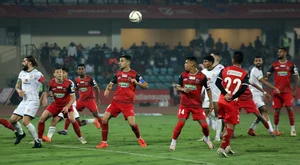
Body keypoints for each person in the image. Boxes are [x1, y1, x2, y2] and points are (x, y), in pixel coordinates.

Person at [96, 55, 148, 149]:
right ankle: (104, 142)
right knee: (104, 119)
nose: (120, 62)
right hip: (116, 102)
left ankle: (139, 138)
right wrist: (108, 88)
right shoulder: (118, 73)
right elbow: (111, 83)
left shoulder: (135, 74)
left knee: (132, 124)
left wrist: (137, 83)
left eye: (122, 61)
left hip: (127, 104)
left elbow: (146, 85)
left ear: (128, 62)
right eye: (120, 61)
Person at [169, 56, 214, 151]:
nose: (184, 65)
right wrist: (183, 89)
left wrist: (211, 103)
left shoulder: (202, 76)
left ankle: (206, 138)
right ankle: (173, 142)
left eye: (186, 63)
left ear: (192, 64)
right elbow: (177, 86)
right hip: (184, 104)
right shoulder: (183, 75)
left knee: (204, 126)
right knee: (180, 124)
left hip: (197, 105)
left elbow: (208, 89)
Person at [42, 67, 98, 142]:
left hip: (70, 104)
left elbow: (72, 96)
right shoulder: (56, 82)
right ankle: (49, 137)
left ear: (66, 74)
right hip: (62, 105)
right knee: (55, 120)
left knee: (78, 122)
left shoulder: (70, 83)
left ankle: (82, 134)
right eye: (60, 73)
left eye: (63, 73)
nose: (61, 74)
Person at [37, 66, 87, 146]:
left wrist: (67, 106)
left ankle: (81, 138)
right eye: (58, 72)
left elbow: (73, 98)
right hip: (56, 105)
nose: (60, 74)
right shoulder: (51, 83)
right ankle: (39, 140)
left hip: (66, 105)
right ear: (54, 74)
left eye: (61, 72)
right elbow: (46, 93)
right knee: (42, 119)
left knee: (72, 119)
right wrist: (44, 99)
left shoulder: (69, 83)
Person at [215, 51, 250, 158]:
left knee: (226, 123)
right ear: (242, 61)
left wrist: (225, 94)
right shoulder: (244, 73)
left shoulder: (225, 69)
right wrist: (233, 96)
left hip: (221, 100)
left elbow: (217, 82)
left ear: (233, 60)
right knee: (231, 125)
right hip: (232, 102)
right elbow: (244, 88)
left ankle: (227, 147)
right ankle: (222, 147)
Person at [8, 56, 47, 148]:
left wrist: (44, 96)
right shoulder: (22, 73)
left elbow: (46, 83)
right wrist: (19, 91)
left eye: (24, 61)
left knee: (25, 121)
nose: (23, 63)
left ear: (30, 62)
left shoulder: (37, 74)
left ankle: (37, 141)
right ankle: (21, 134)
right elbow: (17, 86)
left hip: (33, 100)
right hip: (24, 101)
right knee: (12, 120)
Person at [57, 64, 101, 135]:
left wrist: (98, 99)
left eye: (82, 69)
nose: (81, 71)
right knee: (72, 114)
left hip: (90, 100)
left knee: (95, 114)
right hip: (81, 100)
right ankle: (65, 130)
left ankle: (103, 126)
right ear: (77, 71)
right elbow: (76, 89)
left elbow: (97, 88)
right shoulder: (77, 80)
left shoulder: (89, 79)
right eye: (79, 69)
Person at [265, 47, 299, 136]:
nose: (278, 53)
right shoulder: (274, 65)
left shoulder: (291, 65)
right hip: (277, 92)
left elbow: (297, 77)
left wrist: (295, 89)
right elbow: (267, 75)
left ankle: (293, 129)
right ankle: (276, 129)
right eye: (278, 52)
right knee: (277, 110)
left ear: (285, 53)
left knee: (289, 108)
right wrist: (266, 77)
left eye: (280, 52)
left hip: (287, 91)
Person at [247, 56, 280, 136]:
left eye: (259, 60)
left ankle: (251, 129)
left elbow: (261, 81)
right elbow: (263, 82)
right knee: (264, 110)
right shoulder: (255, 70)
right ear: (254, 62)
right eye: (256, 61)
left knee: (260, 113)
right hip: (254, 94)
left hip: (258, 94)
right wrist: (274, 88)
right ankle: (271, 131)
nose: (258, 62)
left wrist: (266, 77)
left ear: (262, 61)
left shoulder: (259, 71)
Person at [201, 53, 224, 142]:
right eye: (203, 62)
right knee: (204, 116)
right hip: (207, 97)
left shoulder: (219, 70)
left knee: (218, 116)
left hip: (217, 97)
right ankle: (206, 136)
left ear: (211, 62)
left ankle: (218, 136)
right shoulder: (203, 72)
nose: (204, 63)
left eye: (206, 62)